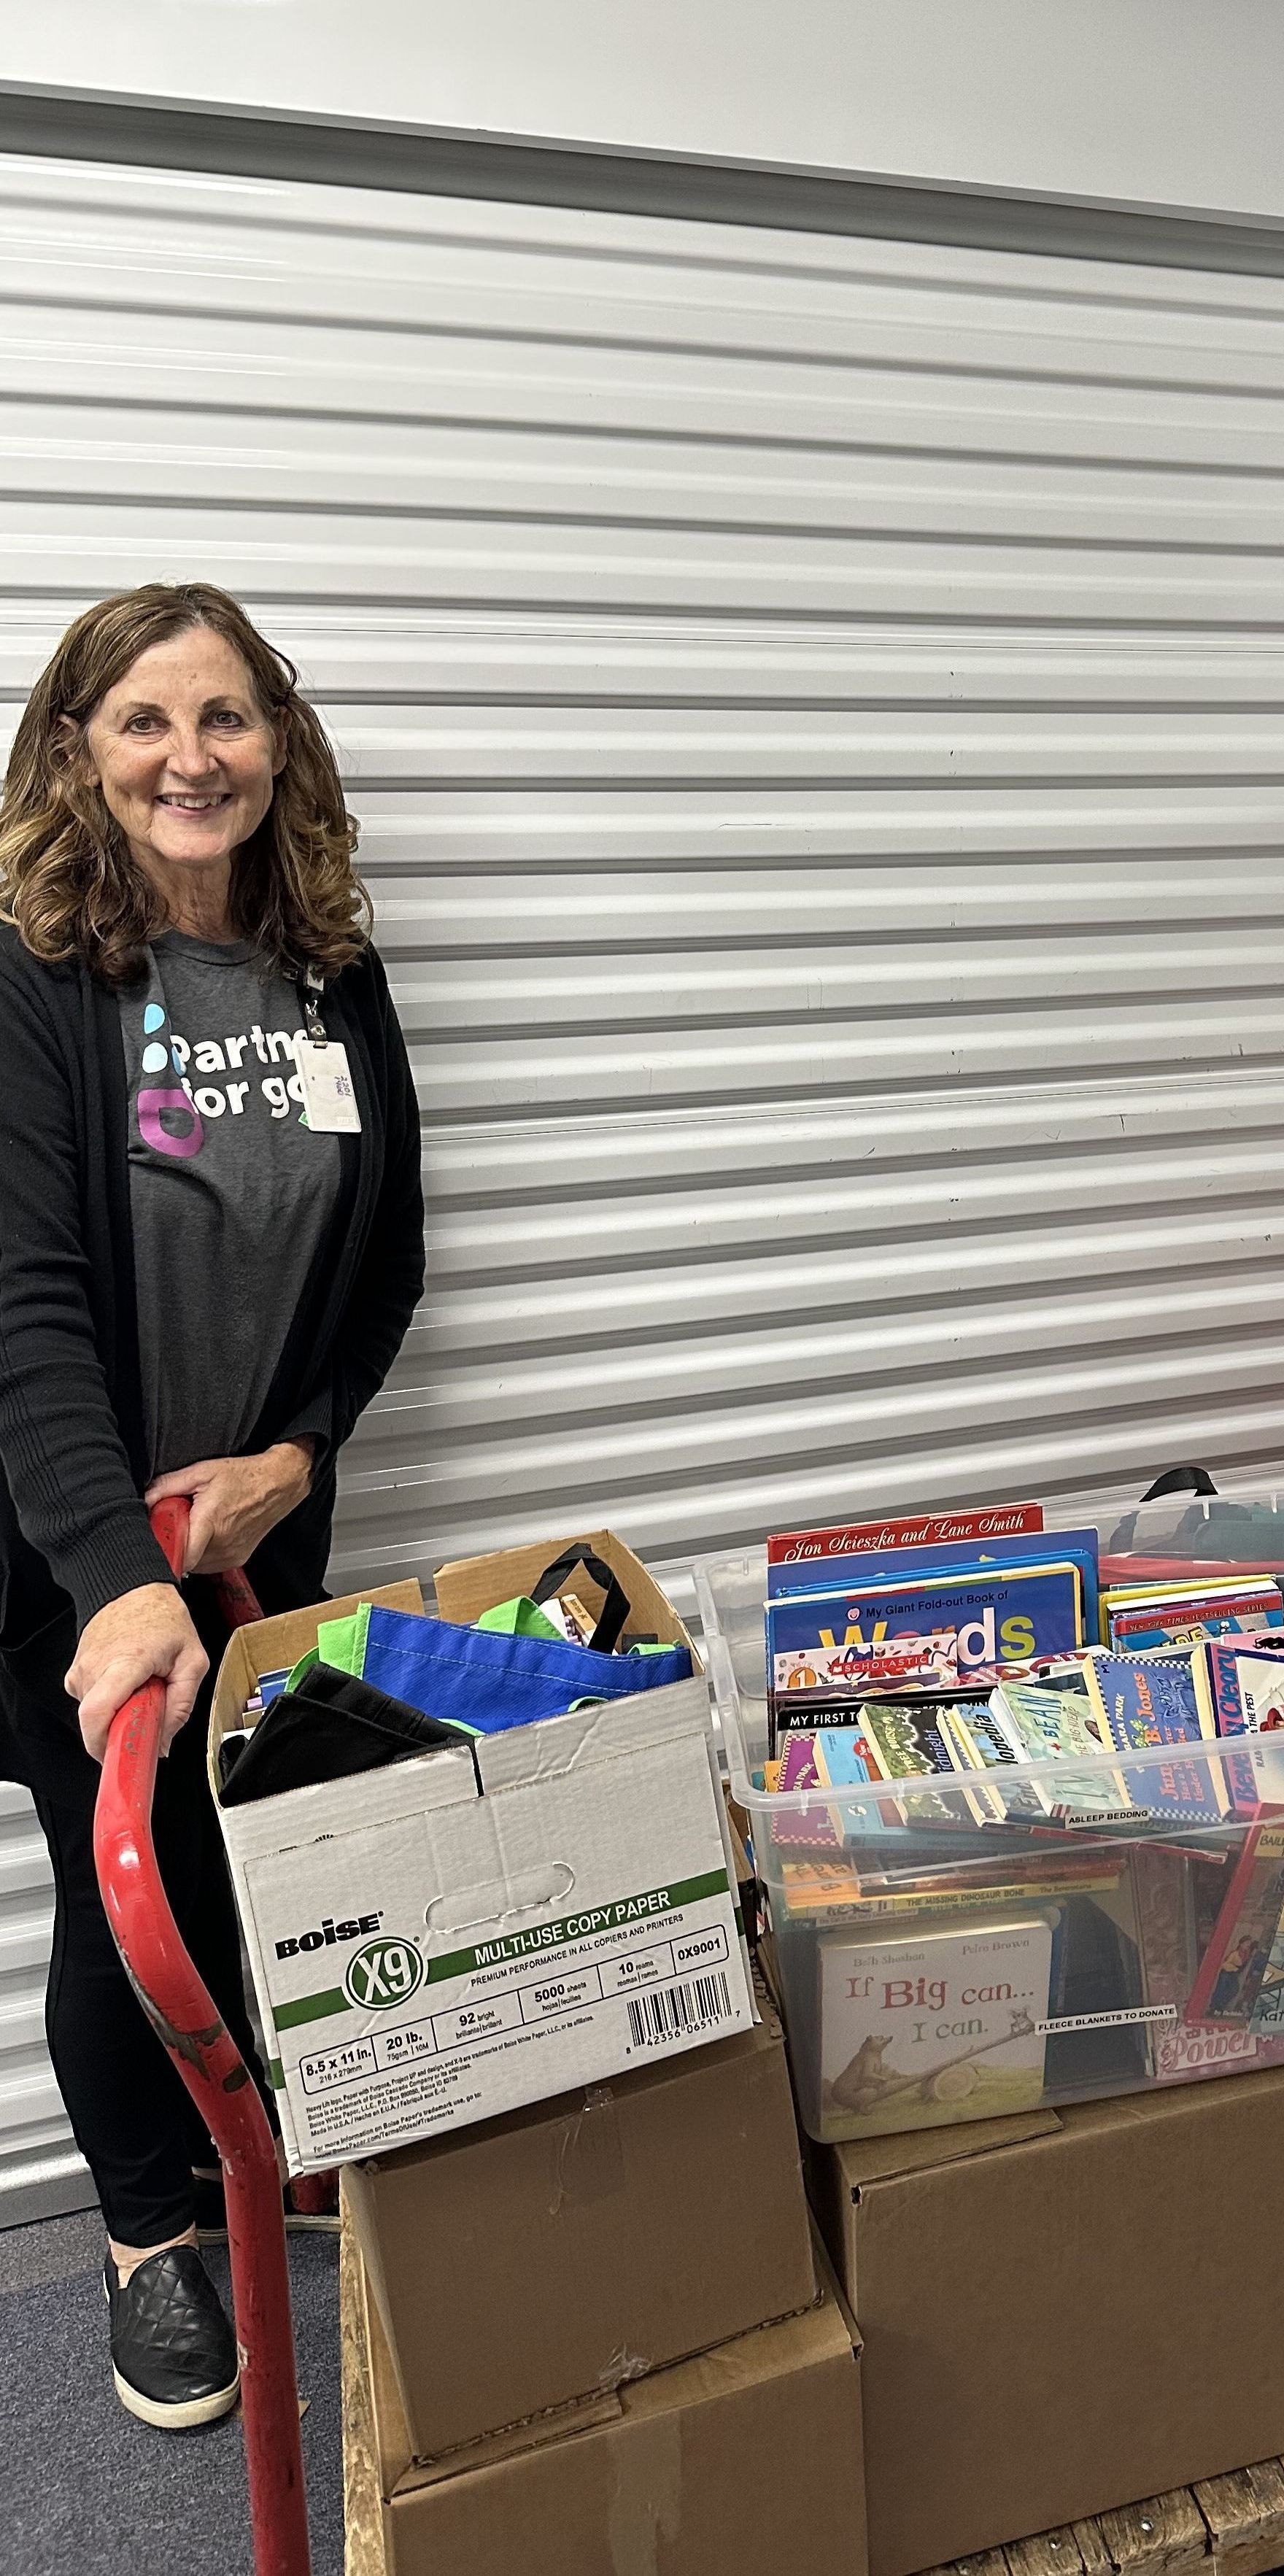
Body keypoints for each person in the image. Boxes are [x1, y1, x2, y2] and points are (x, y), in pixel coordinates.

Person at [0, 584, 424, 2429]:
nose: (194, 757)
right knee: (121, 1893)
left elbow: (390, 1257)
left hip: (255, 1534)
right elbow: (21, 1298)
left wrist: (295, 1457)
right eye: (146, 721)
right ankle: (148, 2240)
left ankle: (258, 2147)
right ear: (78, 750)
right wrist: (114, 1570)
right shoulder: (33, 973)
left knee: (245, 1851)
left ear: (280, 741)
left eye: (229, 717)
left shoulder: (330, 965)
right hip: (65, 1552)